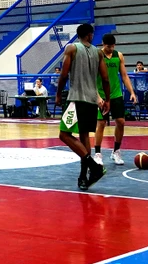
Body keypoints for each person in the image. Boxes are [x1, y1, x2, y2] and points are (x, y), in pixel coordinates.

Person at [56, 23, 109, 190]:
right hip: (91, 100)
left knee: (64, 135)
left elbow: (64, 74)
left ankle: (94, 166)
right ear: (89, 35)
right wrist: (106, 99)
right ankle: (83, 177)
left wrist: (58, 94)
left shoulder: (71, 49)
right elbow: (105, 78)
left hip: (76, 98)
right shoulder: (98, 52)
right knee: (84, 137)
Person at [96, 34, 137, 166]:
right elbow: (90, 78)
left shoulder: (118, 55)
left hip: (116, 94)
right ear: (103, 44)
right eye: (108, 46)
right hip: (102, 94)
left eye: (113, 46)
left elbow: (124, 75)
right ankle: (97, 153)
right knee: (101, 123)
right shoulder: (97, 55)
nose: (110, 48)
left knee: (120, 121)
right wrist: (97, 96)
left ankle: (116, 151)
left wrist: (131, 92)